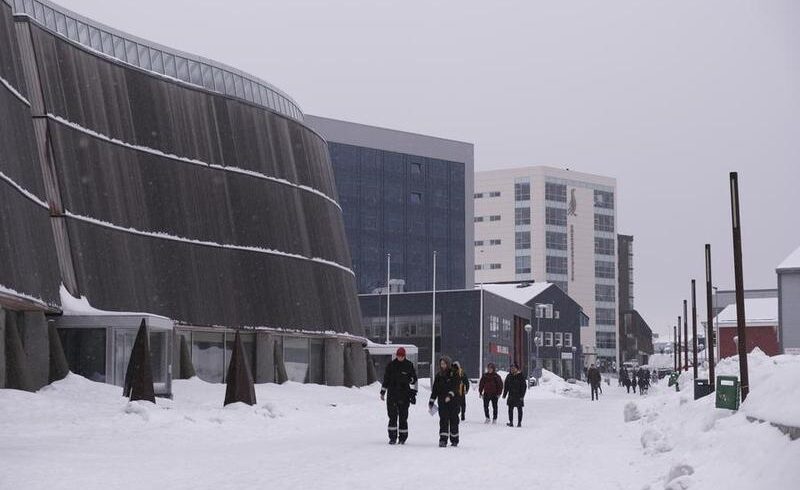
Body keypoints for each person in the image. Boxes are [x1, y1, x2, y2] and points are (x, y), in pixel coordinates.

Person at [380, 347, 418, 445]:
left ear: (404, 356)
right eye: (398, 355)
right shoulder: (391, 365)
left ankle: (403, 437)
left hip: (404, 394)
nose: (400, 357)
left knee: (403, 417)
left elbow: (414, 378)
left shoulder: (409, 365)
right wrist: (383, 392)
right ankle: (392, 437)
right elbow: (386, 379)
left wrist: (407, 380)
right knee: (392, 416)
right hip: (392, 394)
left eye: (401, 356)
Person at [429, 356, 460, 447]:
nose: (442, 366)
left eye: (444, 364)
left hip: (453, 402)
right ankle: (443, 439)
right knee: (443, 420)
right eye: (441, 364)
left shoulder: (454, 374)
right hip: (442, 402)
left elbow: (455, 387)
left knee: (454, 420)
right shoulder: (439, 375)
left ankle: (454, 439)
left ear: (448, 364)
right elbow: (435, 390)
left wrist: (450, 395)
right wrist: (431, 401)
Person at [502, 363, 527, 427]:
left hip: (519, 395)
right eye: (511, 368)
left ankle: (519, 423)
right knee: (510, 409)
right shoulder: (509, 376)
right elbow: (506, 386)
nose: (512, 369)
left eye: (514, 368)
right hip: (511, 395)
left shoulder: (520, 376)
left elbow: (524, 387)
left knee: (519, 409)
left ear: (517, 369)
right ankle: (511, 422)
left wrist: (522, 396)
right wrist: (504, 394)